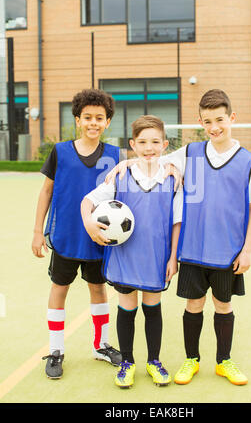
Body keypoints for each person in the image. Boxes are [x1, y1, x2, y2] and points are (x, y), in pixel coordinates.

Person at [106, 89, 251, 386]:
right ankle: (191, 360)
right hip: (193, 251)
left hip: (228, 252)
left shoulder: (249, 162)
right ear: (200, 122)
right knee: (193, 306)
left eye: (219, 119)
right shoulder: (189, 153)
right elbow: (150, 158)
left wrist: (247, 250)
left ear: (231, 118)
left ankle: (224, 362)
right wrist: (124, 164)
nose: (214, 127)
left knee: (223, 306)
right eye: (207, 121)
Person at [81, 115, 183, 388]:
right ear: (132, 144)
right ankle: (127, 362)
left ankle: (154, 361)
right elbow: (88, 201)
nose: (149, 147)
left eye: (155, 142)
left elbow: (176, 221)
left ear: (165, 144)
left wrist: (173, 257)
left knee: (153, 308)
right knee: (127, 308)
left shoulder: (172, 177)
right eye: (142, 142)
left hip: (156, 257)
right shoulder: (121, 174)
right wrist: (90, 225)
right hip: (126, 256)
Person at [31, 88, 122, 379]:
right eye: (87, 117)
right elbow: (46, 191)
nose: (93, 123)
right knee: (60, 289)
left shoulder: (115, 155)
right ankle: (56, 349)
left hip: (98, 238)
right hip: (66, 237)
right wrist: (37, 231)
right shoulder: (60, 151)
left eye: (99, 118)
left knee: (98, 289)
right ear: (77, 120)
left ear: (108, 122)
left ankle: (101, 345)